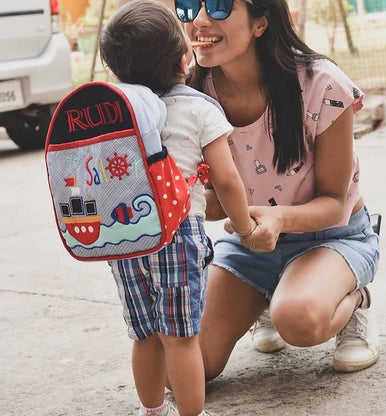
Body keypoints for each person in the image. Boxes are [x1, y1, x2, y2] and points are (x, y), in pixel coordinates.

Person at [174, 0, 380, 378]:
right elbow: (216, 204)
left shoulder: (322, 84)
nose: (199, 20)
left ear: (260, 22)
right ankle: (265, 296)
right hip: (250, 241)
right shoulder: (190, 95)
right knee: (186, 369)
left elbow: (335, 203)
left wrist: (278, 218)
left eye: (218, 6)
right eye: (187, 5)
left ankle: (355, 300)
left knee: (298, 319)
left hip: (331, 237)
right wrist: (171, 204)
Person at [100, 1, 256, 415]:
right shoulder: (199, 108)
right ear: (184, 57)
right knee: (182, 338)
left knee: (145, 335)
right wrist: (243, 226)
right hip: (175, 233)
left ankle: (152, 411)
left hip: (124, 235)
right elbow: (225, 179)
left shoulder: (114, 111)